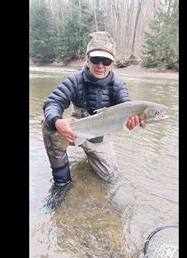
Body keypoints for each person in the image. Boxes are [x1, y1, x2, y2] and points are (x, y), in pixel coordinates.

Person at [41, 31, 145, 205]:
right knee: (48, 124)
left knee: (110, 179)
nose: (100, 66)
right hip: (75, 131)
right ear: (87, 60)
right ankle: (61, 182)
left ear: (112, 64)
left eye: (106, 61)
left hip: (99, 138)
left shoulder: (118, 85)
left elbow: (127, 105)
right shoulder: (75, 80)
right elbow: (53, 102)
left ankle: (92, 159)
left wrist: (133, 119)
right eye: (96, 60)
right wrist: (58, 122)